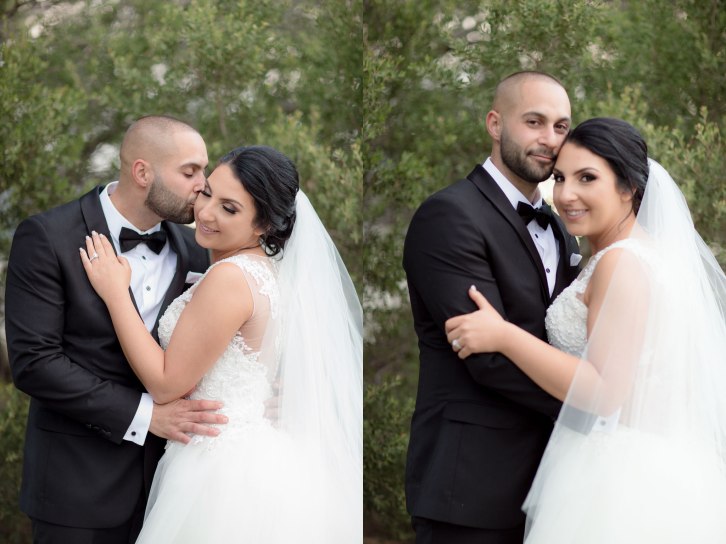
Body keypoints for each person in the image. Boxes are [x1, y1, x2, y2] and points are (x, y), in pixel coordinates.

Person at [446, 117, 726, 542]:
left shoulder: (621, 263)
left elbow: (604, 390)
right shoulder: (634, 255)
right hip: (642, 458)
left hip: (618, 477)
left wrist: (504, 335)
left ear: (628, 187)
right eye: (560, 178)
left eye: (587, 178)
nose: (566, 195)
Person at [80, 145, 363, 543]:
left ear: (263, 225)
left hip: (217, 467)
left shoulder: (230, 278)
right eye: (207, 193)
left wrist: (115, 294)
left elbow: (165, 383)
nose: (206, 213)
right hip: (255, 453)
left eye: (229, 209)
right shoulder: (270, 272)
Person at [5, 115, 229, 543]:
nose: (203, 185)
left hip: (171, 490)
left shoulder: (197, 251)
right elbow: (34, 363)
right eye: (190, 172)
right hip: (75, 488)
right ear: (143, 172)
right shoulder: (48, 236)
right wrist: (147, 416)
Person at [402, 71, 581, 543]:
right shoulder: (449, 215)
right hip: (470, 485)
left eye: (561, 127)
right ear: (495, 124)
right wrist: (592, 402)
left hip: (555, 486)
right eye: (534, 122)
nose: (550, 139)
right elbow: (487, 357)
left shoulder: (561, 228)